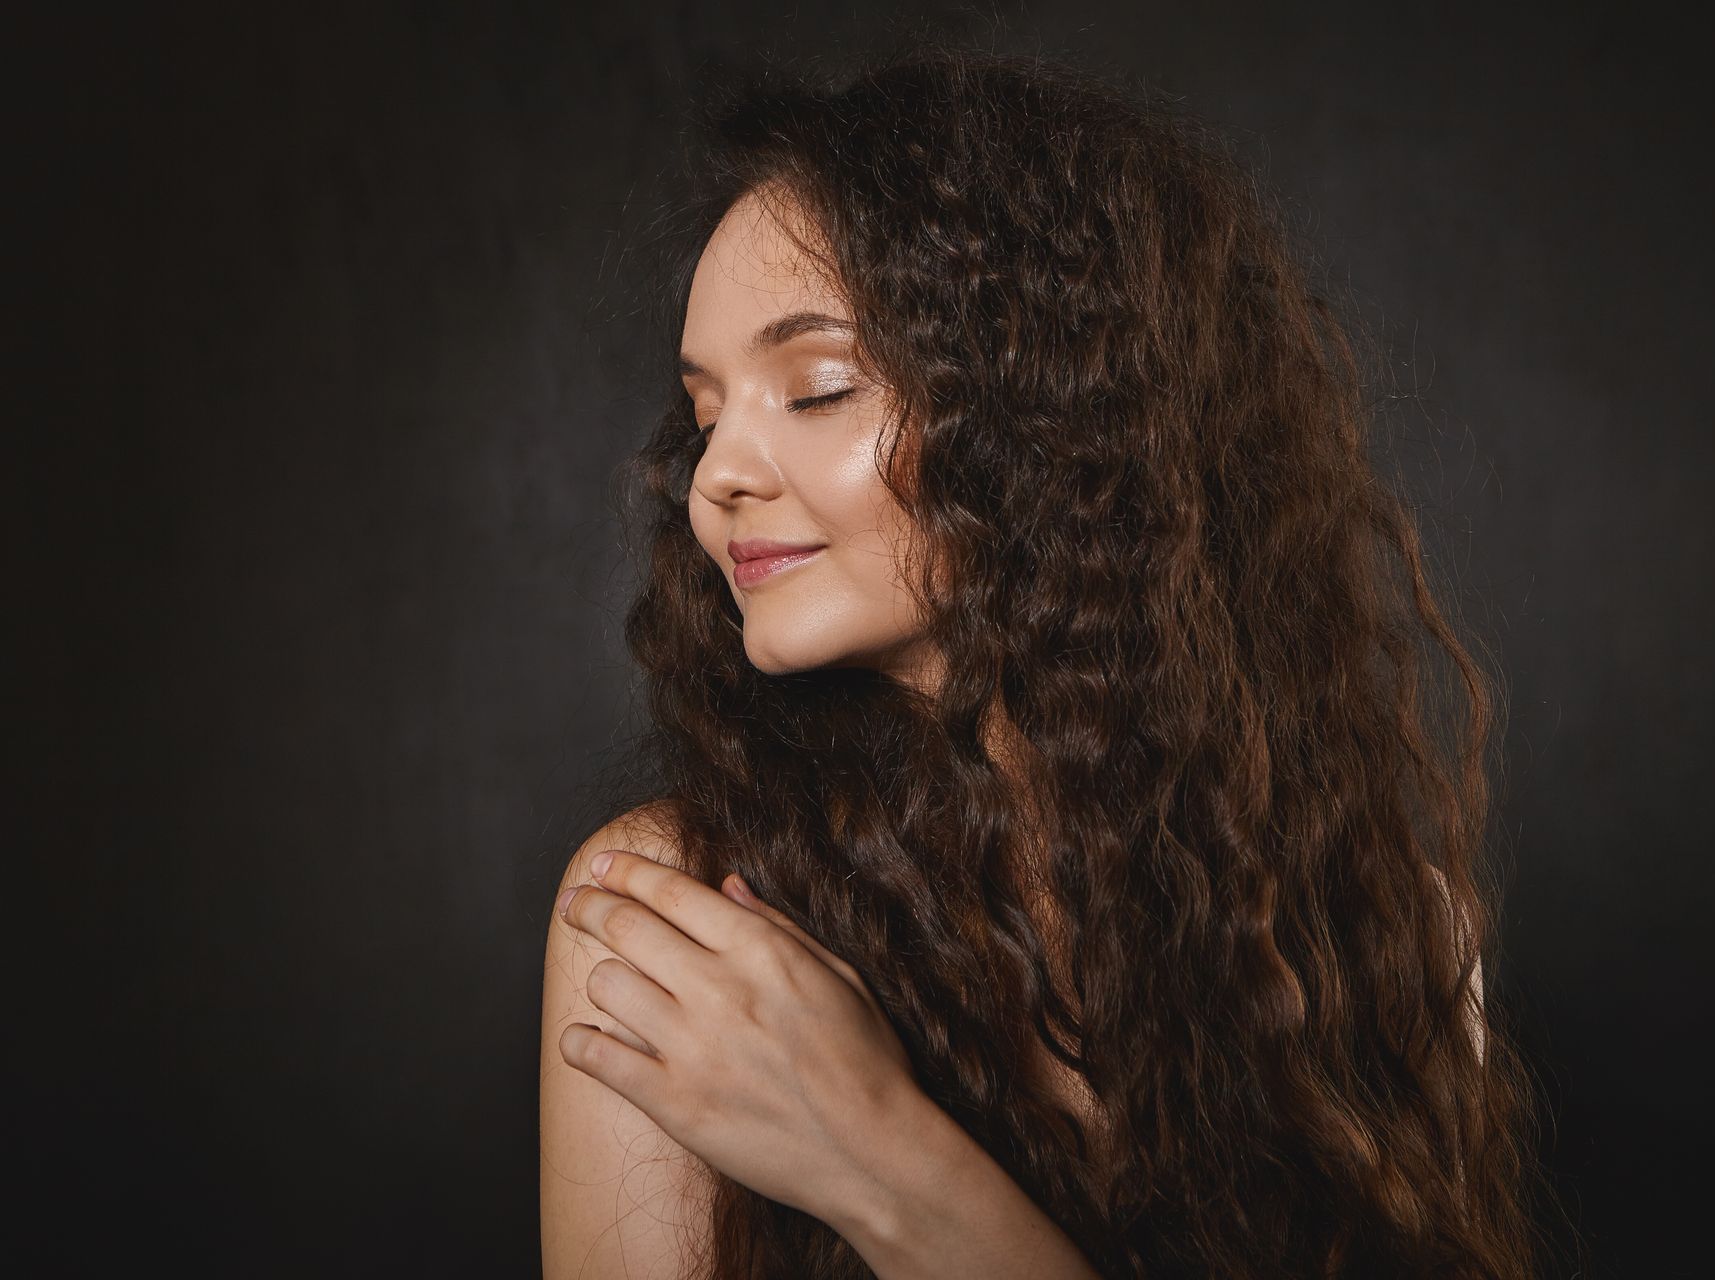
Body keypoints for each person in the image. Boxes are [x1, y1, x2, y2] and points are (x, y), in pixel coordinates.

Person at [540, 42, 1552, 1280]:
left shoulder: (1386, 927)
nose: (716, 480)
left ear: (1050, 415)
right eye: (704, 417)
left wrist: (879, 1156)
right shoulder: (670, 915)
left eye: (817, 387)